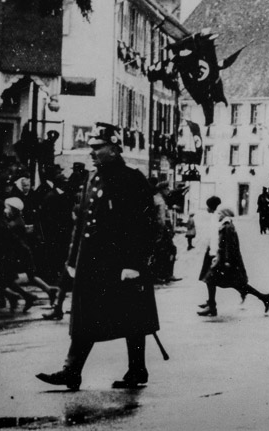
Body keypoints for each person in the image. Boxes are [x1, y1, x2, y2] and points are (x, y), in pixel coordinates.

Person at [36, 123, 160, 391]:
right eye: (90, 147)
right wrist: (72, 260)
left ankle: (137, 369)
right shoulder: (92, 178)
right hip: (92, 263)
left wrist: (134, 264)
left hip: (120, 264)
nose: (91, 153)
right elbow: (81, 224)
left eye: (97, 148)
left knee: (132, 316)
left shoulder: (131, 179)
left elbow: (145, 225)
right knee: (85, 316)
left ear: (114, 149)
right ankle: (71, 371)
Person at [197, 208, 269, 317]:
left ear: (225, 215)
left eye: (220, 213)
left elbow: (229, 245)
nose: (218, 215)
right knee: (238, 285)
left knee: (211, 280)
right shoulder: (225, 225)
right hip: (223, 259)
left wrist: (227, 260)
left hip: (225, 261)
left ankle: (212, 307)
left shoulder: (227, 227)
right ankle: (263, 297)